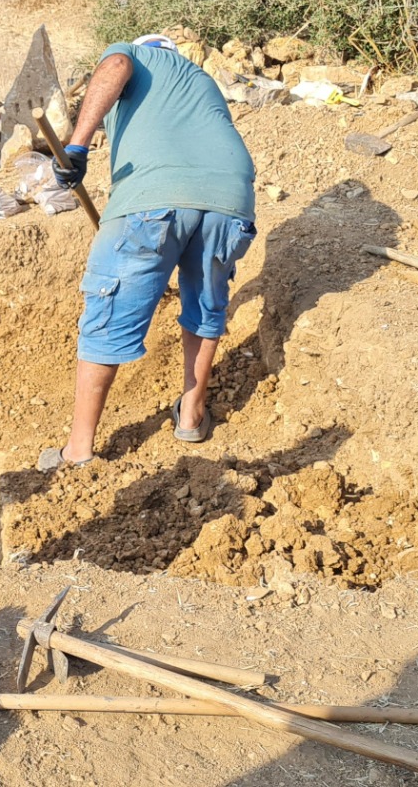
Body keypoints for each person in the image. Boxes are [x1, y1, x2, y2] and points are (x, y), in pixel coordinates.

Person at [41, 35, 258, 470]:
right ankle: (192, 416)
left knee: (110, 310)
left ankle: (78, 449)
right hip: (230, 198)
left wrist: (77, 145)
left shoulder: (133, 54)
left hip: (155, 198)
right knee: (206, 302)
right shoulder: (201, 80)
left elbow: (116, 63)